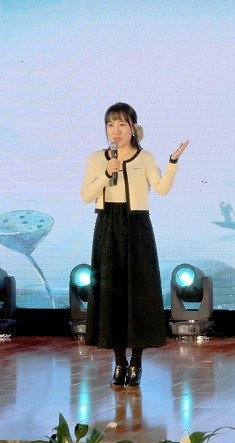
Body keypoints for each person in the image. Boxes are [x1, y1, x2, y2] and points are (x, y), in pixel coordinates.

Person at [81, 102, 189, 387]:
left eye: (122, 124)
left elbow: (162, 188)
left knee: (138, 293)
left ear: (133, 128)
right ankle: (119, 362)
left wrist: (172, 163)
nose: (115, 131)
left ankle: (136, 362)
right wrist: (107, 173)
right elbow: (86, 195)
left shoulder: (146, 158)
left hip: (137, 227)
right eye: (110, 125)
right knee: (112, 294)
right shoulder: (97, 159)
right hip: (107, 226)